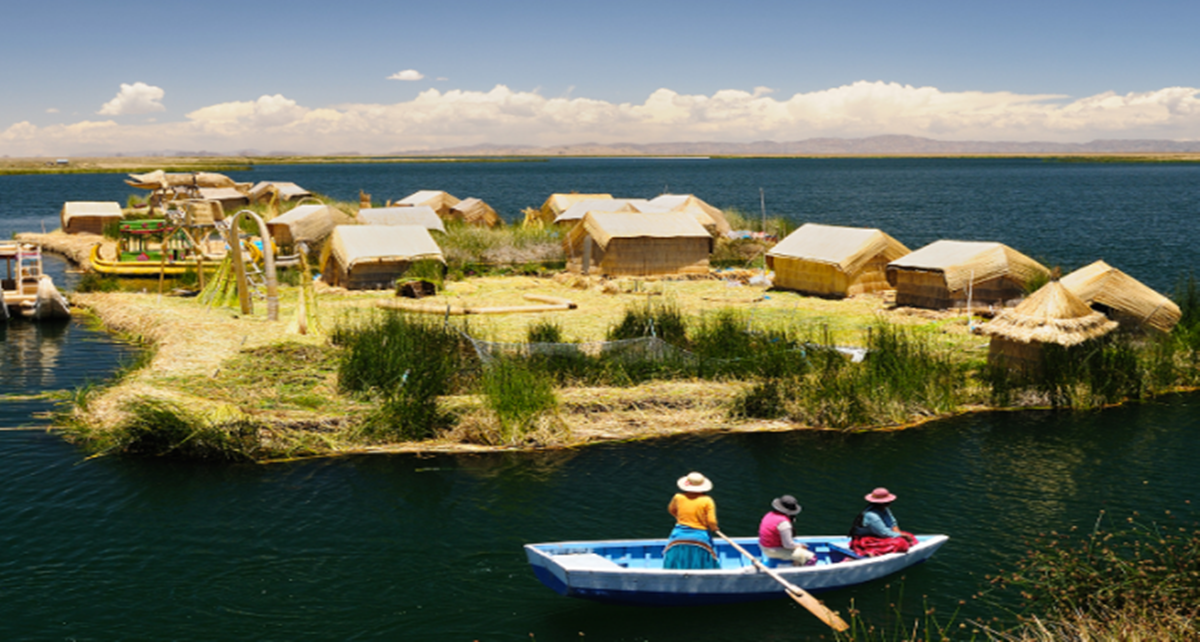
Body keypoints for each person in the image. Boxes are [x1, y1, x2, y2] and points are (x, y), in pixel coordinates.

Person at [663, 472, 720, 570]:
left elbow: (671, 510)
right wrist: (714, 528)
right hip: (700, 535)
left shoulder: (678, 497)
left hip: (679, 534)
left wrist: (681, 518)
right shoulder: (707, 500)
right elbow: (711, 521)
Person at [848, 487, 918, 557]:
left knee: (910, 536)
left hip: (879, 536)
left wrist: (900, 534)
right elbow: (883, 533)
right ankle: (870, 551)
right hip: (867, 540)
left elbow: (892, 523)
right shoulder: (871, 515)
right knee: (901, 543)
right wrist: (902, 536)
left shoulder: (884, 509)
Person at [758, 494, 815, 566]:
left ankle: (796, 565)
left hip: (763, 546)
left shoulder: (769, 514)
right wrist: (799, 546)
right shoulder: (784, 524)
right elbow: (788, 545)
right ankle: (802, 573)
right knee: (811, 558)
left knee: (799, 552)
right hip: (773, 550)